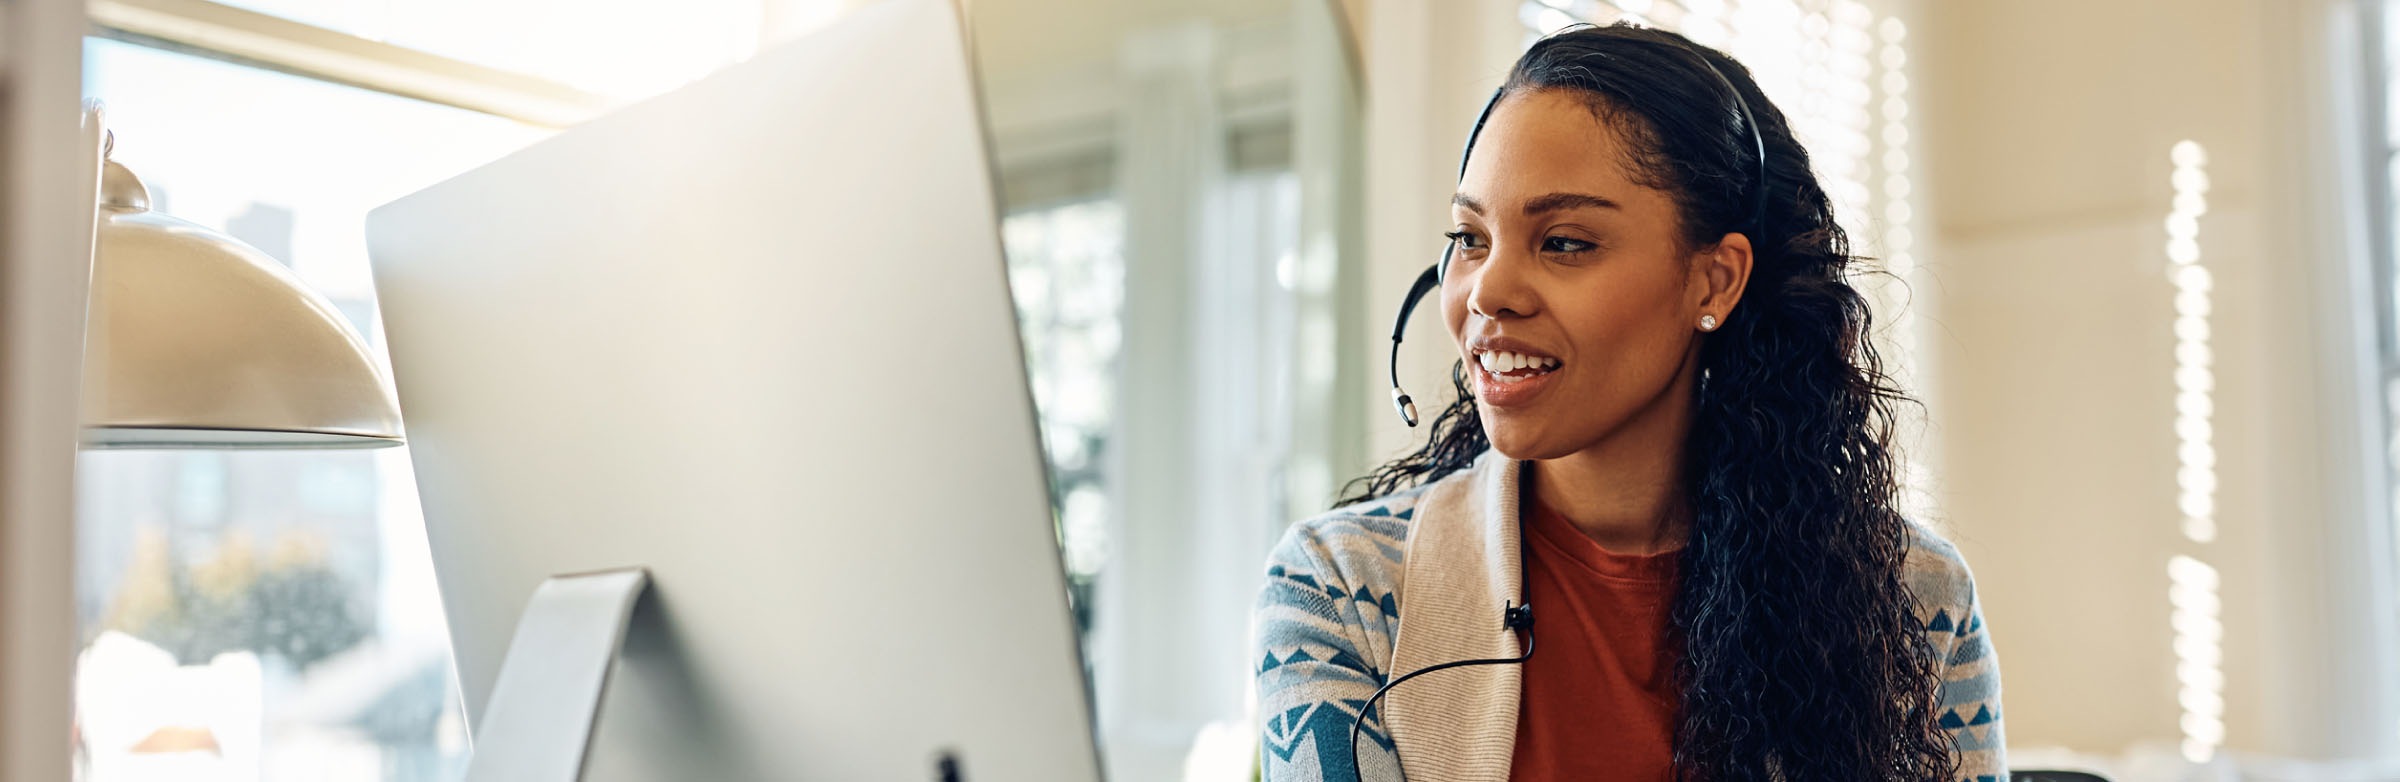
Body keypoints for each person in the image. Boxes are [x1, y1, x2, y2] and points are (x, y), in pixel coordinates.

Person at [1254, 23, 2005, 782]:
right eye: (1471, 236)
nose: (1487, 291)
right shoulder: (1340, 592)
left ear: (1713, 281)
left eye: (1565, 242)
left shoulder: (1914, 599)